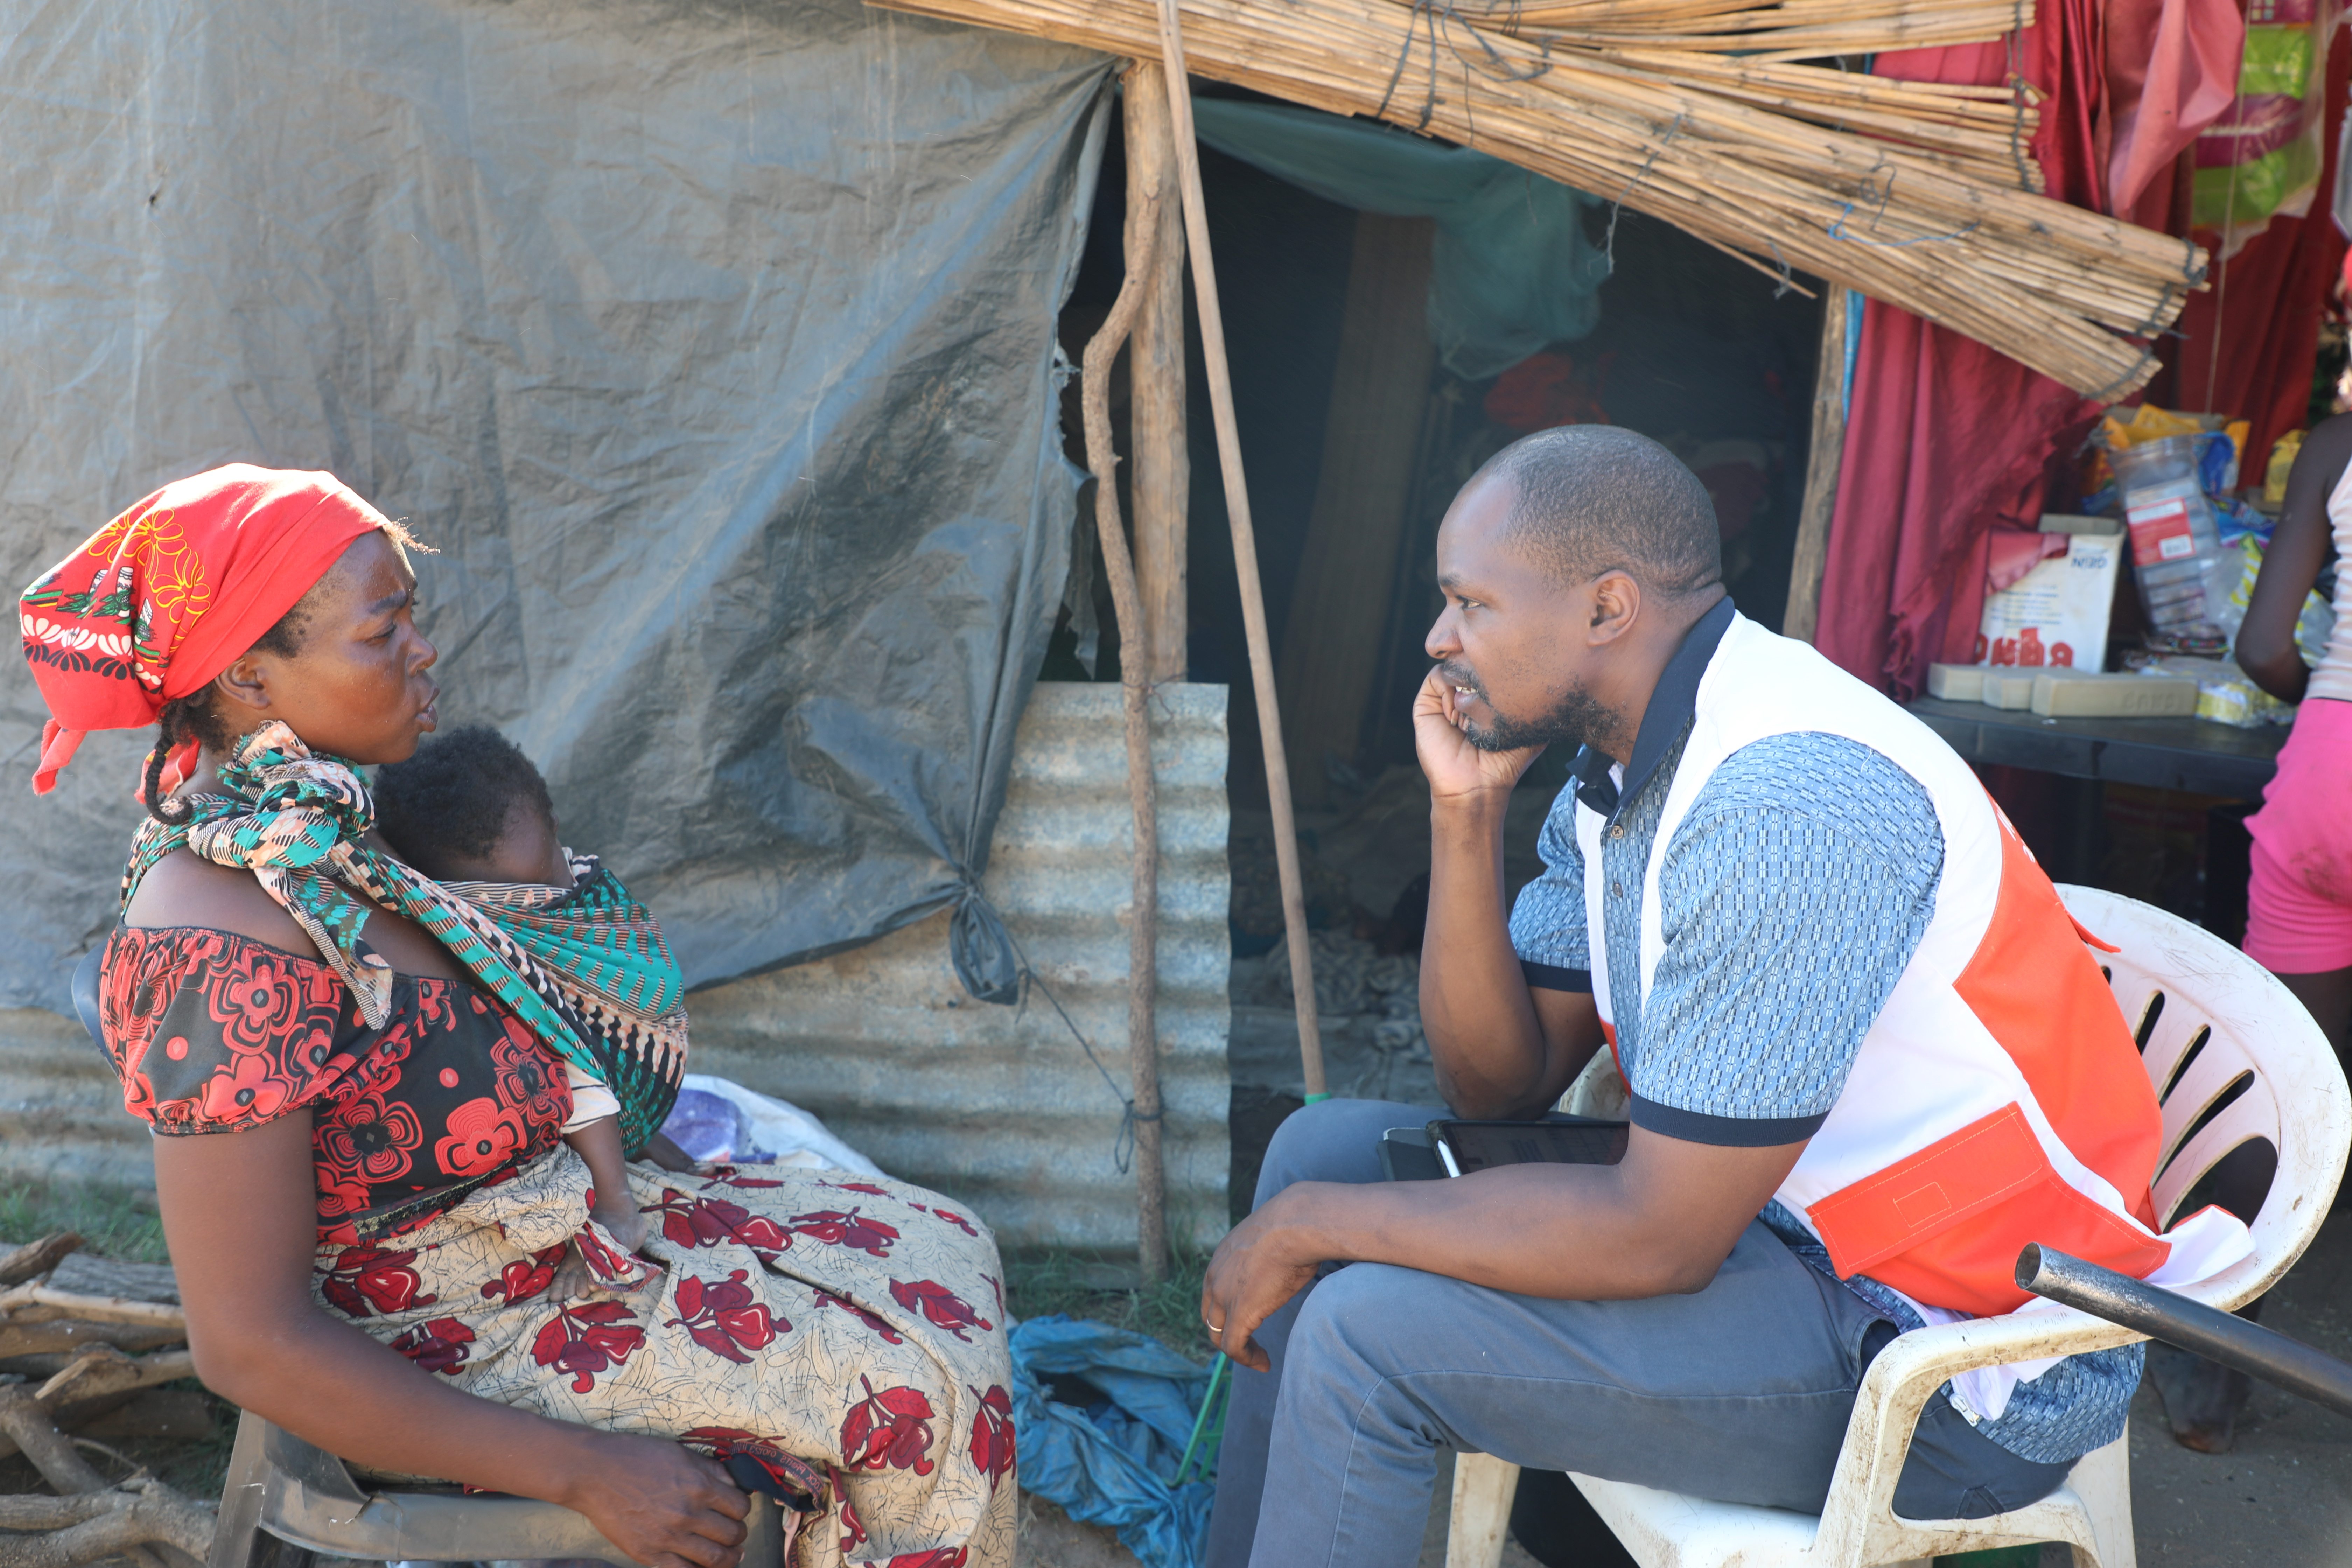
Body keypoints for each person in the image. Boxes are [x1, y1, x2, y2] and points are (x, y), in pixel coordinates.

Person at [1199, 426, 2252, 1567]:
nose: (1439, 639)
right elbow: (1497, 1081)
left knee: (1363, 1328)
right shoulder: (1620, 760)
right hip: (1780, 1240)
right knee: (1322, 1151)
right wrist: (1464, 815)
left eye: (1471, 604)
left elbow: (1659, 1237)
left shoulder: (1783, 803)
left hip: (1954, 1357)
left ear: (1607, 609)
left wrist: (1311, 1236)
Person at [21, 465, 1016, 1568]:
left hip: (538, 1243)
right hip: (450, 1337)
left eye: (413, 616)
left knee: (944, 1248)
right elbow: (249, 1343)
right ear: (252, 675)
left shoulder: (329, 842)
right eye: (382, 628)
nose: (422, 649)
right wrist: (584, 1471)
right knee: (912, 1400)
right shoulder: (217, 941)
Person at [374, 723, 661, 1257]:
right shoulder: (483, 955)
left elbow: (626, 1043)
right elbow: (580, 1069)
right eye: (516, 902)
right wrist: (616, 1202)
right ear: (454, 899)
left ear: (555, 828)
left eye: (548, 873)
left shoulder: (593, 899)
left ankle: (644, 1142)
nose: (546, 903)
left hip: (621, 1089)